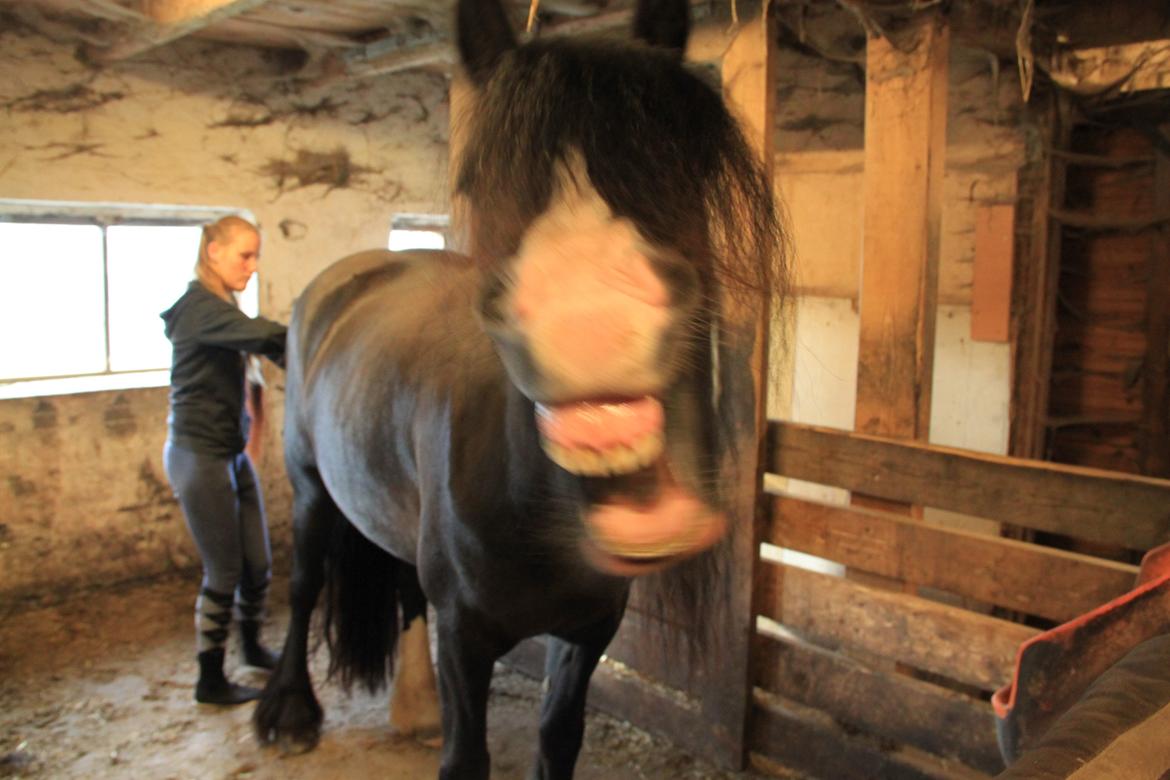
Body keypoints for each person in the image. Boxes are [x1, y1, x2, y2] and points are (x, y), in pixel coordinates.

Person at [160, 215, 287, 705]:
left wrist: (252, 440)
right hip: (199, 456)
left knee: (259, 563)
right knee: (224, 570)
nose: (253, 267)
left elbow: (256, 369)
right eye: (245, 255)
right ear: (214, 252)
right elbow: (268, 337)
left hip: (230, 456)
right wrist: (323, 336)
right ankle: (209, 680)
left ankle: (252, 647)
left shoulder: (222, 306)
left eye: (256, 257)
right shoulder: (198, 308)